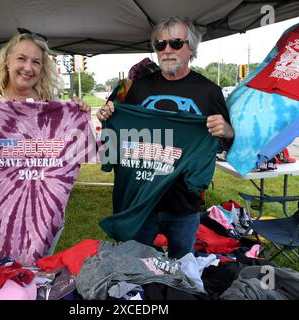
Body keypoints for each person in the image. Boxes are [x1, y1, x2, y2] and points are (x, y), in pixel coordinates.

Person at [96, 16, 234, 259]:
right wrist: (109, 117)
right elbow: (121, 136)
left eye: (176, 43)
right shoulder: (139, 88)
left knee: (184, 268)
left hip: (184, 204)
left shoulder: (209, 91)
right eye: (160, 45)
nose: (167, 50)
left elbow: (228, 144)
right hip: (140, 199)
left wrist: (228, 131)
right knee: (134, 266)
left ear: (192, 48)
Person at [0, 30, 91, 260]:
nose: (28, 67)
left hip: (45, 217)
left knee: (34, 280)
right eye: (22, 59)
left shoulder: (55, 112)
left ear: (42, 69)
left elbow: (71, 164)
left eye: (36, 62)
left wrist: (78, 116)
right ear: (7, 61)